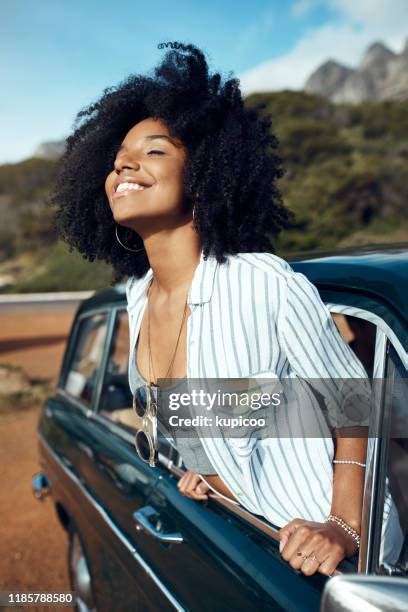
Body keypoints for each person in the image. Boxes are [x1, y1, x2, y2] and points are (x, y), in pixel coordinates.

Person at [52, 41, 369, 577]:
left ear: (202, 174)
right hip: (244, 538)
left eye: (153, 151)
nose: (124, 165)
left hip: (322, 561)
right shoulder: (138, 294)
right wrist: (211, 471)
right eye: (117, 159)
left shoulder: (259, 281)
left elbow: (356, 401)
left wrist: (344, 526)